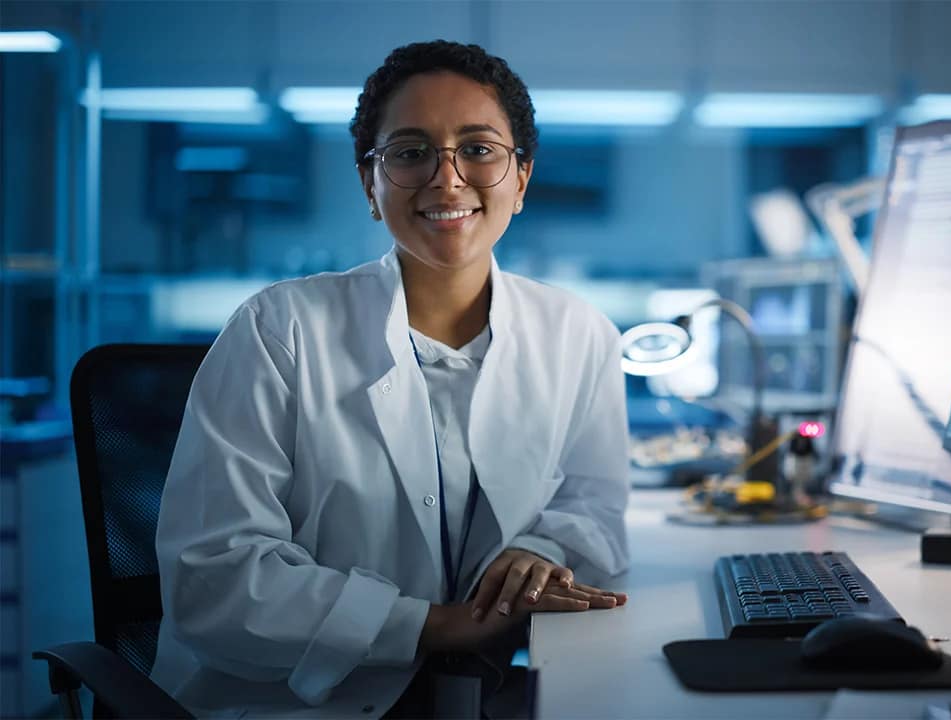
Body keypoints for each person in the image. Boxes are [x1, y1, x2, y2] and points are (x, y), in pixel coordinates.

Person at [152, 40, 630, 718]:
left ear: (521, 177)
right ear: (369, 185)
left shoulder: (579, 333)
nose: (447, 179)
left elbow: (596, 508)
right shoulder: (277, 329)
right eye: (409, 153)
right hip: (289, 703)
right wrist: (432, 624)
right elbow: (216, 579)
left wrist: (540, 548)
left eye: (479, 149)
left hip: (482, 694)